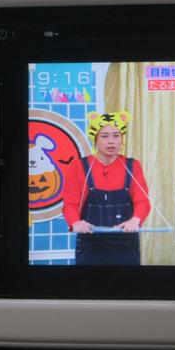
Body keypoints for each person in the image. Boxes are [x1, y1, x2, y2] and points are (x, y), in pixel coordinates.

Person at [62, 111, 150, 265]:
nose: (111, 141)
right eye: (104, 136)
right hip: (90, 243)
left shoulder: (133, 165)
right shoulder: (79, 166)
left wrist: (135, 220)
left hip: (125, 243)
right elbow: (70, 203)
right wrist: (75, 222)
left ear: (122, 139)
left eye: (116, 136)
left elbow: (143, 200)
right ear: (95, 139)